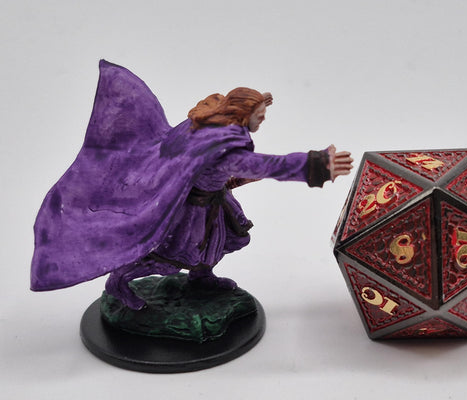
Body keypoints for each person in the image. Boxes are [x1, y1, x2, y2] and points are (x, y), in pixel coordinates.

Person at [31, 61, 353, 309]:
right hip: (192, 210)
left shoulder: (210, 123)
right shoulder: (224, 148)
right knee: (174, 257)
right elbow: (268, 166)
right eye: (259, 114)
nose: (263, 120)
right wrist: (317, 165)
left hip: (215, 202)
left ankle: (202, 278)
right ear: (242, 114)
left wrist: (258, 102)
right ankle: (120, 279)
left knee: (217, 245)